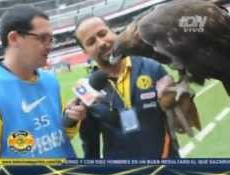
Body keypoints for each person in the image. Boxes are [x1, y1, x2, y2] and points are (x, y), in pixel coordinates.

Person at [0, 4, 86, 158]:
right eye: (42, 38)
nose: (50, 46)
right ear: (14, 38)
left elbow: (59, 137)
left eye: (51, 39)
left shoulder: (51, 80)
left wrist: (71, 120)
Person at [71, 16, 181, 159]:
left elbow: (178, 122)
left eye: (103, 34)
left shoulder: (151, 67)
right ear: (85, 52)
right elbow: (90, 146)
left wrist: (178, 98)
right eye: (91, 42)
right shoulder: (87, 89)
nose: (101, 43)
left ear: (114, 32)